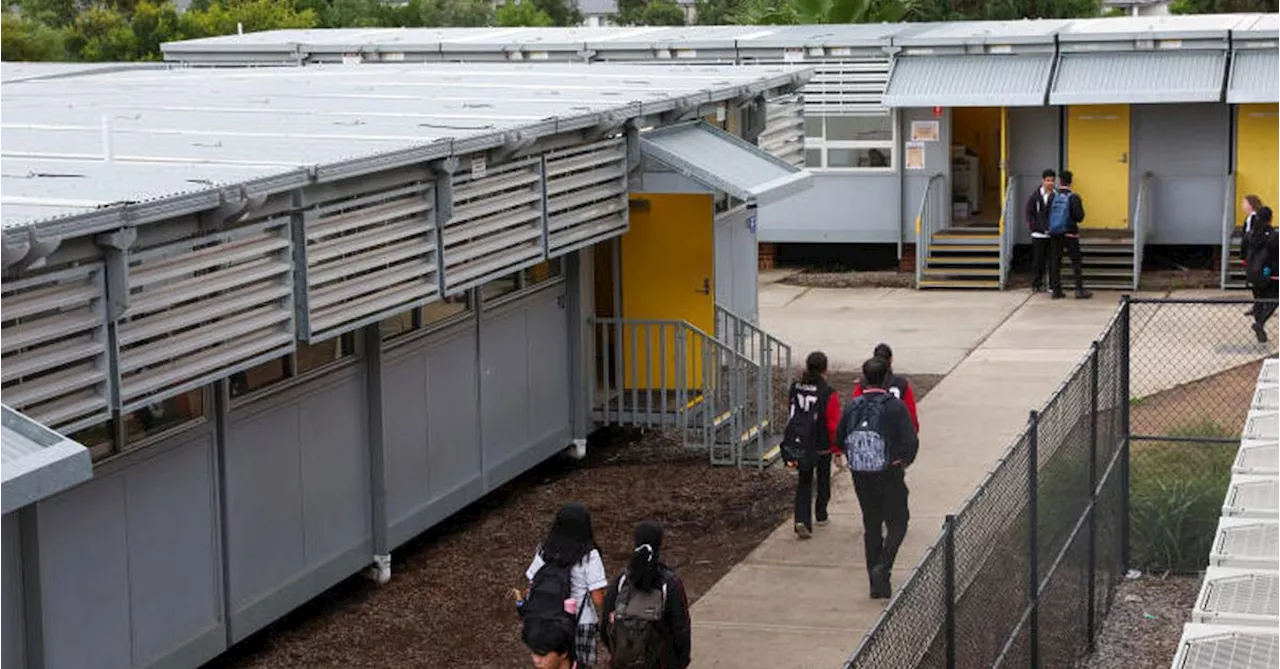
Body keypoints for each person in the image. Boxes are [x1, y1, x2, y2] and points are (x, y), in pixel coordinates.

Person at [837, 357, 920, 600]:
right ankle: (883, 566)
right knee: (899, 521)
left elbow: (839, 438)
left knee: (871, 524)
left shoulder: (853, 405)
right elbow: (910, 442)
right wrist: (902, 461)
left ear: (863, 378)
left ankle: (876, 585)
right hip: (889, 472)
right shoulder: (894, 406)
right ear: (886, 377)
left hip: (861, 474)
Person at [523, 503, 610, 669]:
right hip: (580, 622)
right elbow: (598, 599)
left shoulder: (545, 549)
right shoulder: (588, 555)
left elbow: (531, 583)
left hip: (549, 624)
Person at [601, 521, 692, 669]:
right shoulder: (670, 583)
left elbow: (605, 625)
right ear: (660, 544)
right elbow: (681, 630)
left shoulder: (622, 581)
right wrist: (681, 661)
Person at [781, 351, 842, 539]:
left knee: (804, 480)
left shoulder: (795, 387)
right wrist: (838, 450)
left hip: (800, 441)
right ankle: (821, 513)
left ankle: (801, 518)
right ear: (825, 369)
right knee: (823, 478)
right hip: (821, 442)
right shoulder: (828, 393)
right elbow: (833, 423)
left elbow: (792, 410)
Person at [851, 343, 919, 434]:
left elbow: (854, 410)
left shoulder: (863, 385)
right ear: (891, 360)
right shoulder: (901, 384)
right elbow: (911, 413)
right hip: (896, 435)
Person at [1046, 170, 1093, 300]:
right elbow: (1080, 217)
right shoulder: (1074, 197)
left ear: (1059, 181)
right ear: (1070, 182)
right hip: (1071, 234)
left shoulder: (1052, 197)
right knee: (1076, 262)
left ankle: (1056, 290)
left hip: (1055, 234)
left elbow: (1046, 214)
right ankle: (1079, 289)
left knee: (1055, 261)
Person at [1245, 206, 1280, 343]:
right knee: (1274, 299)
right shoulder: (1274, 236)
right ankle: (1260, 323)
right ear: (1270, 218)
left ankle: (1259, 326)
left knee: (1258, 299)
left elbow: (1243, 253)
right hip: (1269, 273)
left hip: (1252, 273)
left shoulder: (1249, 235)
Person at [1025, 168, 1058, 293]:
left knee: (1052, 261)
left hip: (1052, 234)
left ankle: (1051, 284)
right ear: (1043, 181)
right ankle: (1037, 283)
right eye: (1048, 180)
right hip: (1038, 234)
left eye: (1052, 181)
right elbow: (1029, 214)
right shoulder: (1035, 197)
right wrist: (1037, 228)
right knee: (1038, 261)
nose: (1050, 183)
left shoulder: (1056, 196)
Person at [1241, 195, 1265, 317]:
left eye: (1244, 203)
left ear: (1251, 204)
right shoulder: (1250, 218)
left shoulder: (1255, 218)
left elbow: (1250, 238)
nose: (1243, 205)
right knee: (1253, 282)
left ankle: (1259, 306)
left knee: (1256, 281)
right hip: (1252, 254)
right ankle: (1257, 305)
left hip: (1254, 255)